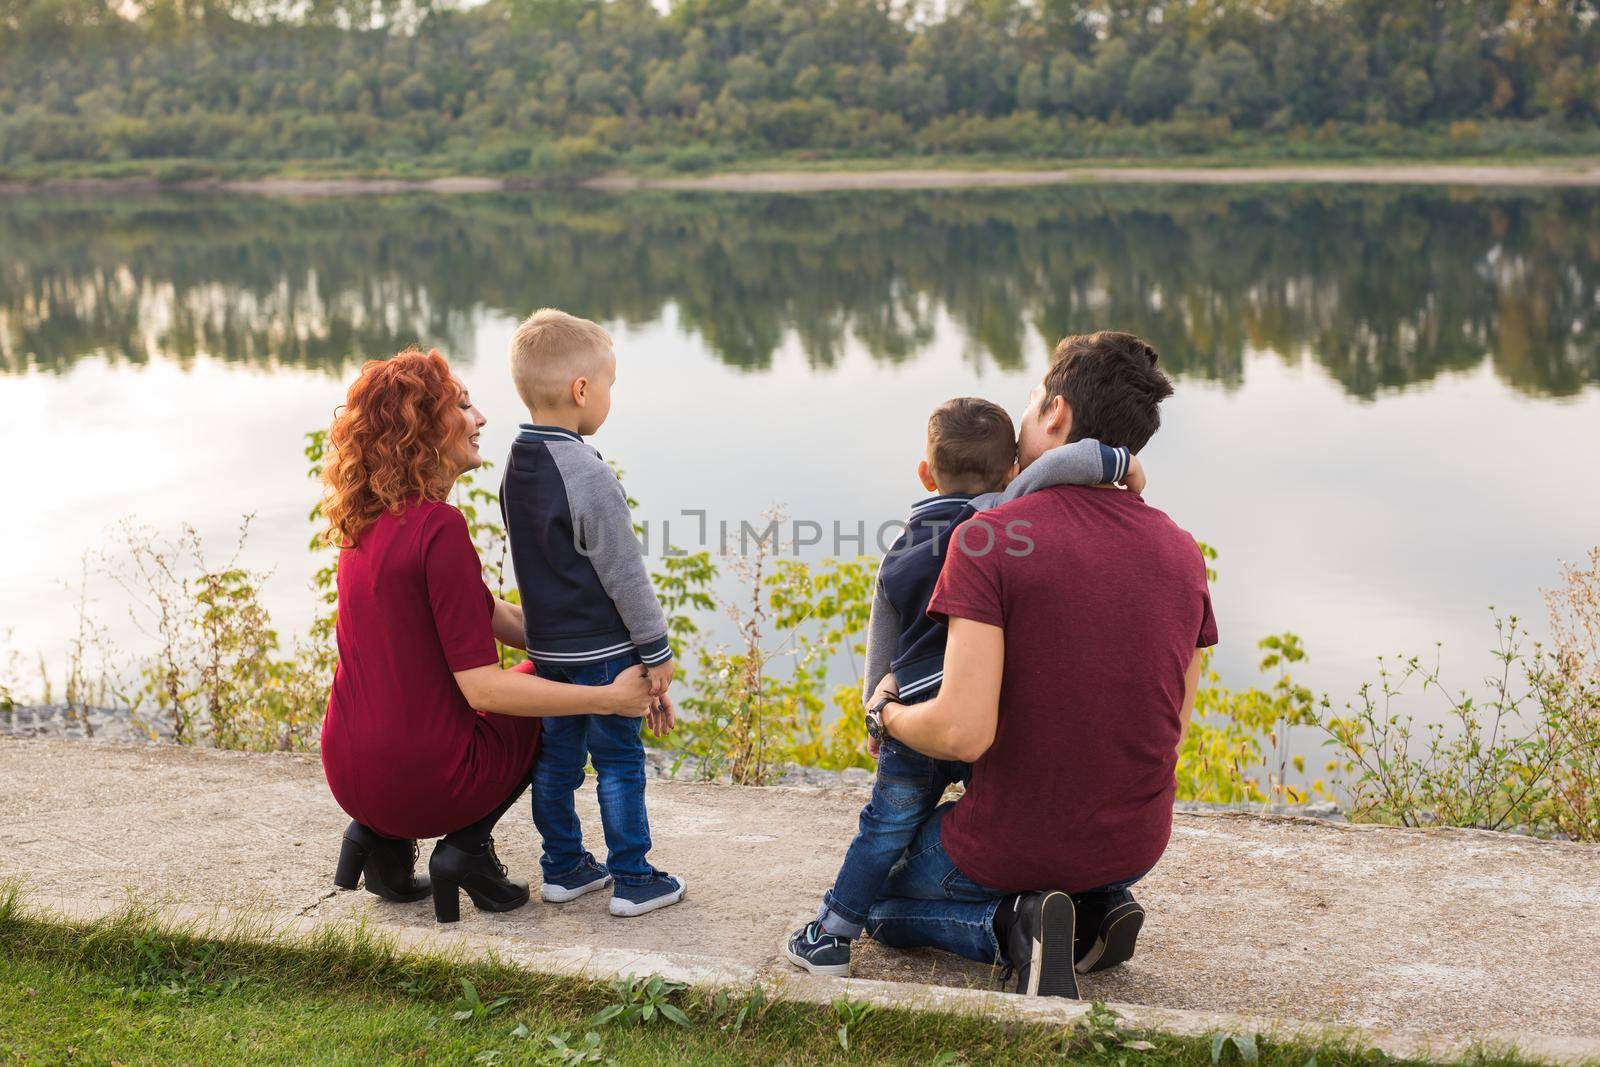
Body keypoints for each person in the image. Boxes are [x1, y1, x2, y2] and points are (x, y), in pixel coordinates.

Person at [862, 332, 1218, 998]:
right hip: (1135, 843)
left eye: (1028, 405)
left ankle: (1014, 923)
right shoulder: (1181, 550)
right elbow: (1171, 720)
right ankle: (1095, 904)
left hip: (1016, 843)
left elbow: (963, 733)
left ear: (1053, 413)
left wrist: (888, 712)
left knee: (873, 892)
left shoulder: (990, 538)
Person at [786, 396, 1142, 977]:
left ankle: (832, 932)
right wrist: (1120, 462)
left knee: (885, 826)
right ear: (1012, 471)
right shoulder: (1002, 514)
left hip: (917, 713)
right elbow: (1059, 466)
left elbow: (885, 634)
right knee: (996, 811)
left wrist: (876, 708)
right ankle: (1080, 904)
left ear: (926, 473)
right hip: (985, 706)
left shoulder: (902, 545)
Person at [319, 347, 659, 924]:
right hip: (421, 779)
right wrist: (608, 694)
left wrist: (616, 648)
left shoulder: (367, 517)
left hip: (349, 773)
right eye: (464, 406)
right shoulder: (439, 528)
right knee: (546, 688)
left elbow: (499, 618)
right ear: (423, 430)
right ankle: (467, 848)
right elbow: (486, 692)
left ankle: (378, 843)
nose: (480, 420)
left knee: (552, 665)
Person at [499, 309, 685, 917]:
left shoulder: (515, 465)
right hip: (604, 651)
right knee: (619, 762)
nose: (610, 396)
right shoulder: (587, 470)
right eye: (609, 383)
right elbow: (624, 573)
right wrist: (655, 652)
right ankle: (633, 877)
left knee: (556, 762)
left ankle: (563, 867)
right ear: (582, 390)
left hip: (549, 649)